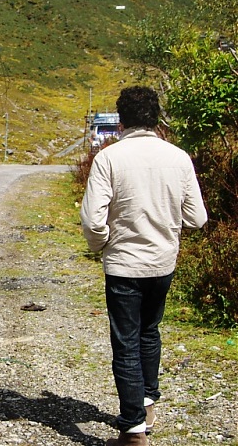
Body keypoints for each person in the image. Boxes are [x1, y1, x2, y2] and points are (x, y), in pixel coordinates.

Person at [80, 86, 207, 446]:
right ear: (156, 118)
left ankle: (133, 429)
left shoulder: (109, 158)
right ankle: (148, 402)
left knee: (126, 343)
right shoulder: (179, 157)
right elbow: (197, 218)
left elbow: (92, 220)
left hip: (123, 265)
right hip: (162, 263)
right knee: (149, 333)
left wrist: (101, 245)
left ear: (122, 119)